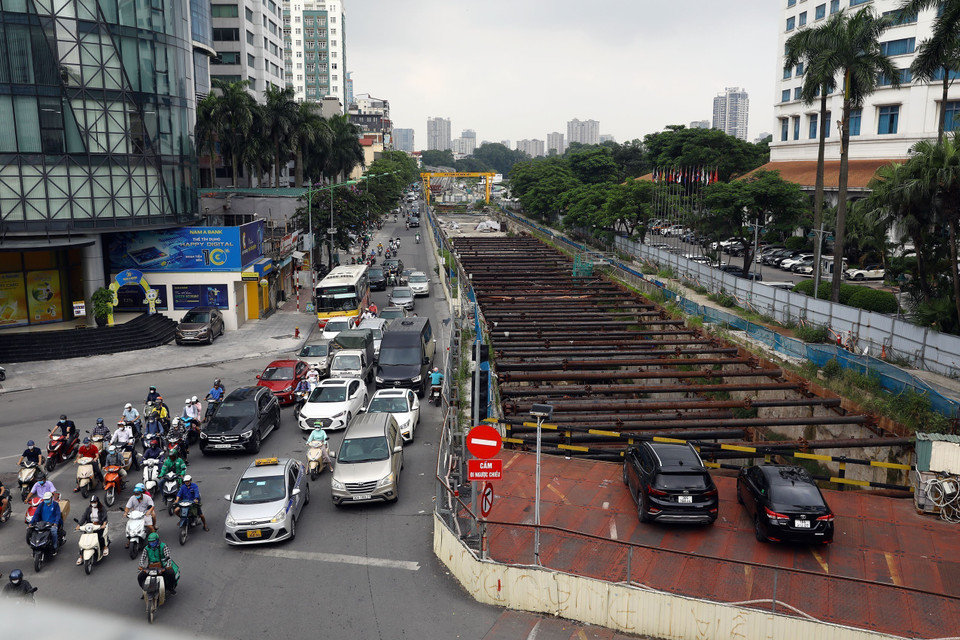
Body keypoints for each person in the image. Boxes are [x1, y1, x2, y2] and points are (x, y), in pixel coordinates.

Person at [75, 494, 109, 563]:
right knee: (83, 540)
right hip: (90, 526)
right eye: (92, 502)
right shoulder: (88, 509)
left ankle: (105, 547)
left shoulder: (102, 508)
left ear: (97, 502)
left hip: (98, 526)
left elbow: (105, 517)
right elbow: (84, 517)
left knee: (100, 537)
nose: (93, 503)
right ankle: (81, 556)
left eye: (94, 502)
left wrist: (103, 524)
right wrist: (79, 525)